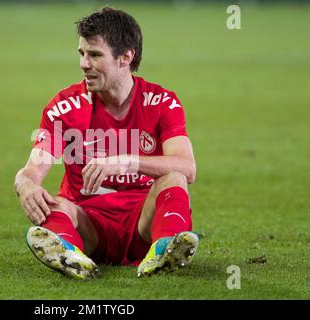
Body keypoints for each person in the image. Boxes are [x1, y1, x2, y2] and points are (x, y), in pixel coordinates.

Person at [14, 7, 198, 280]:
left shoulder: (161, 102)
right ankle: (69, 252)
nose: (84, 64)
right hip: (89, 228)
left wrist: (126, 161)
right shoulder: (65, 107)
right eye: (82, 54)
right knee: (55, 203)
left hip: (144, 225)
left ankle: (165, 249)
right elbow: (33, 169)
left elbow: (188, 168)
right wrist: (26, 185)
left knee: (174, 178)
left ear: (125, 57)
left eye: (95, 55)